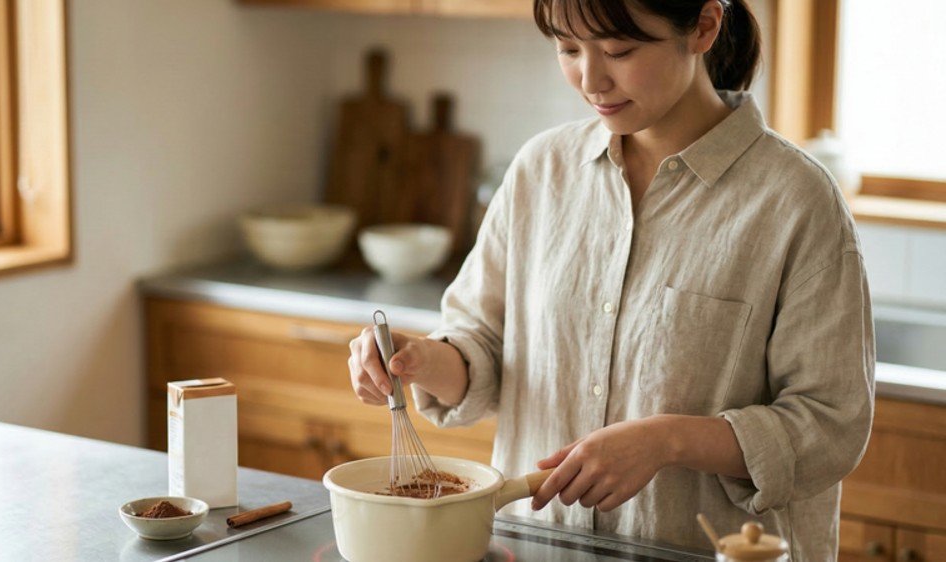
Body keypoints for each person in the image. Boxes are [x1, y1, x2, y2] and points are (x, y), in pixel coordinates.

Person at [347, 0, 875, 559]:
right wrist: (423, 361)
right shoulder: (540, 170)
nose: (591, 80)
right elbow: (484, 346)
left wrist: (667, 440)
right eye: (569, 49)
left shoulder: (797, 201)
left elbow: (830, 424)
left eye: (619, 51)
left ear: (702, 27)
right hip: (539, 549)